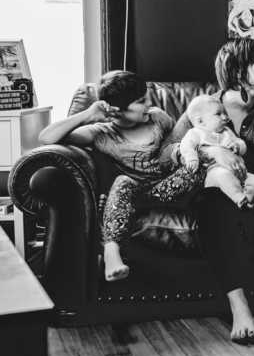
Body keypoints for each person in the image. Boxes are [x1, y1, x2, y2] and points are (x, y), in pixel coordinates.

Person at [161, 39, 254, 343]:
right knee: (211, 204)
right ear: (237, 69)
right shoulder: (207, 106)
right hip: (216, 186)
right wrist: (211, 154)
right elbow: (167, 151)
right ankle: (237, 304)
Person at [38, 70, 202, 282]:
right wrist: (87, 115)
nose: (149, 103)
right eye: (141, 101)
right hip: (137, 195)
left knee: (196, 162)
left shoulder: (157, 118)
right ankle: (111, 254)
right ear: (117, 109)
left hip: (171, 186)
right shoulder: (101, 133)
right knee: (123, 182)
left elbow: (174, 147)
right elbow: (46, 138)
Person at [178, 95, 254, 208]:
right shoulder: (196, 133)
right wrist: (192, 158)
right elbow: (186, 146)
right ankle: (239, 198)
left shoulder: (227, 131)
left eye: (225, 113)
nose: (225, 117)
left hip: (240, 172)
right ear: (200, 121)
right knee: (223, 175)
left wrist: (237, 146)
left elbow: (242, 145)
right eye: (218, 114)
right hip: (215, 173)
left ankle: (247, 199)